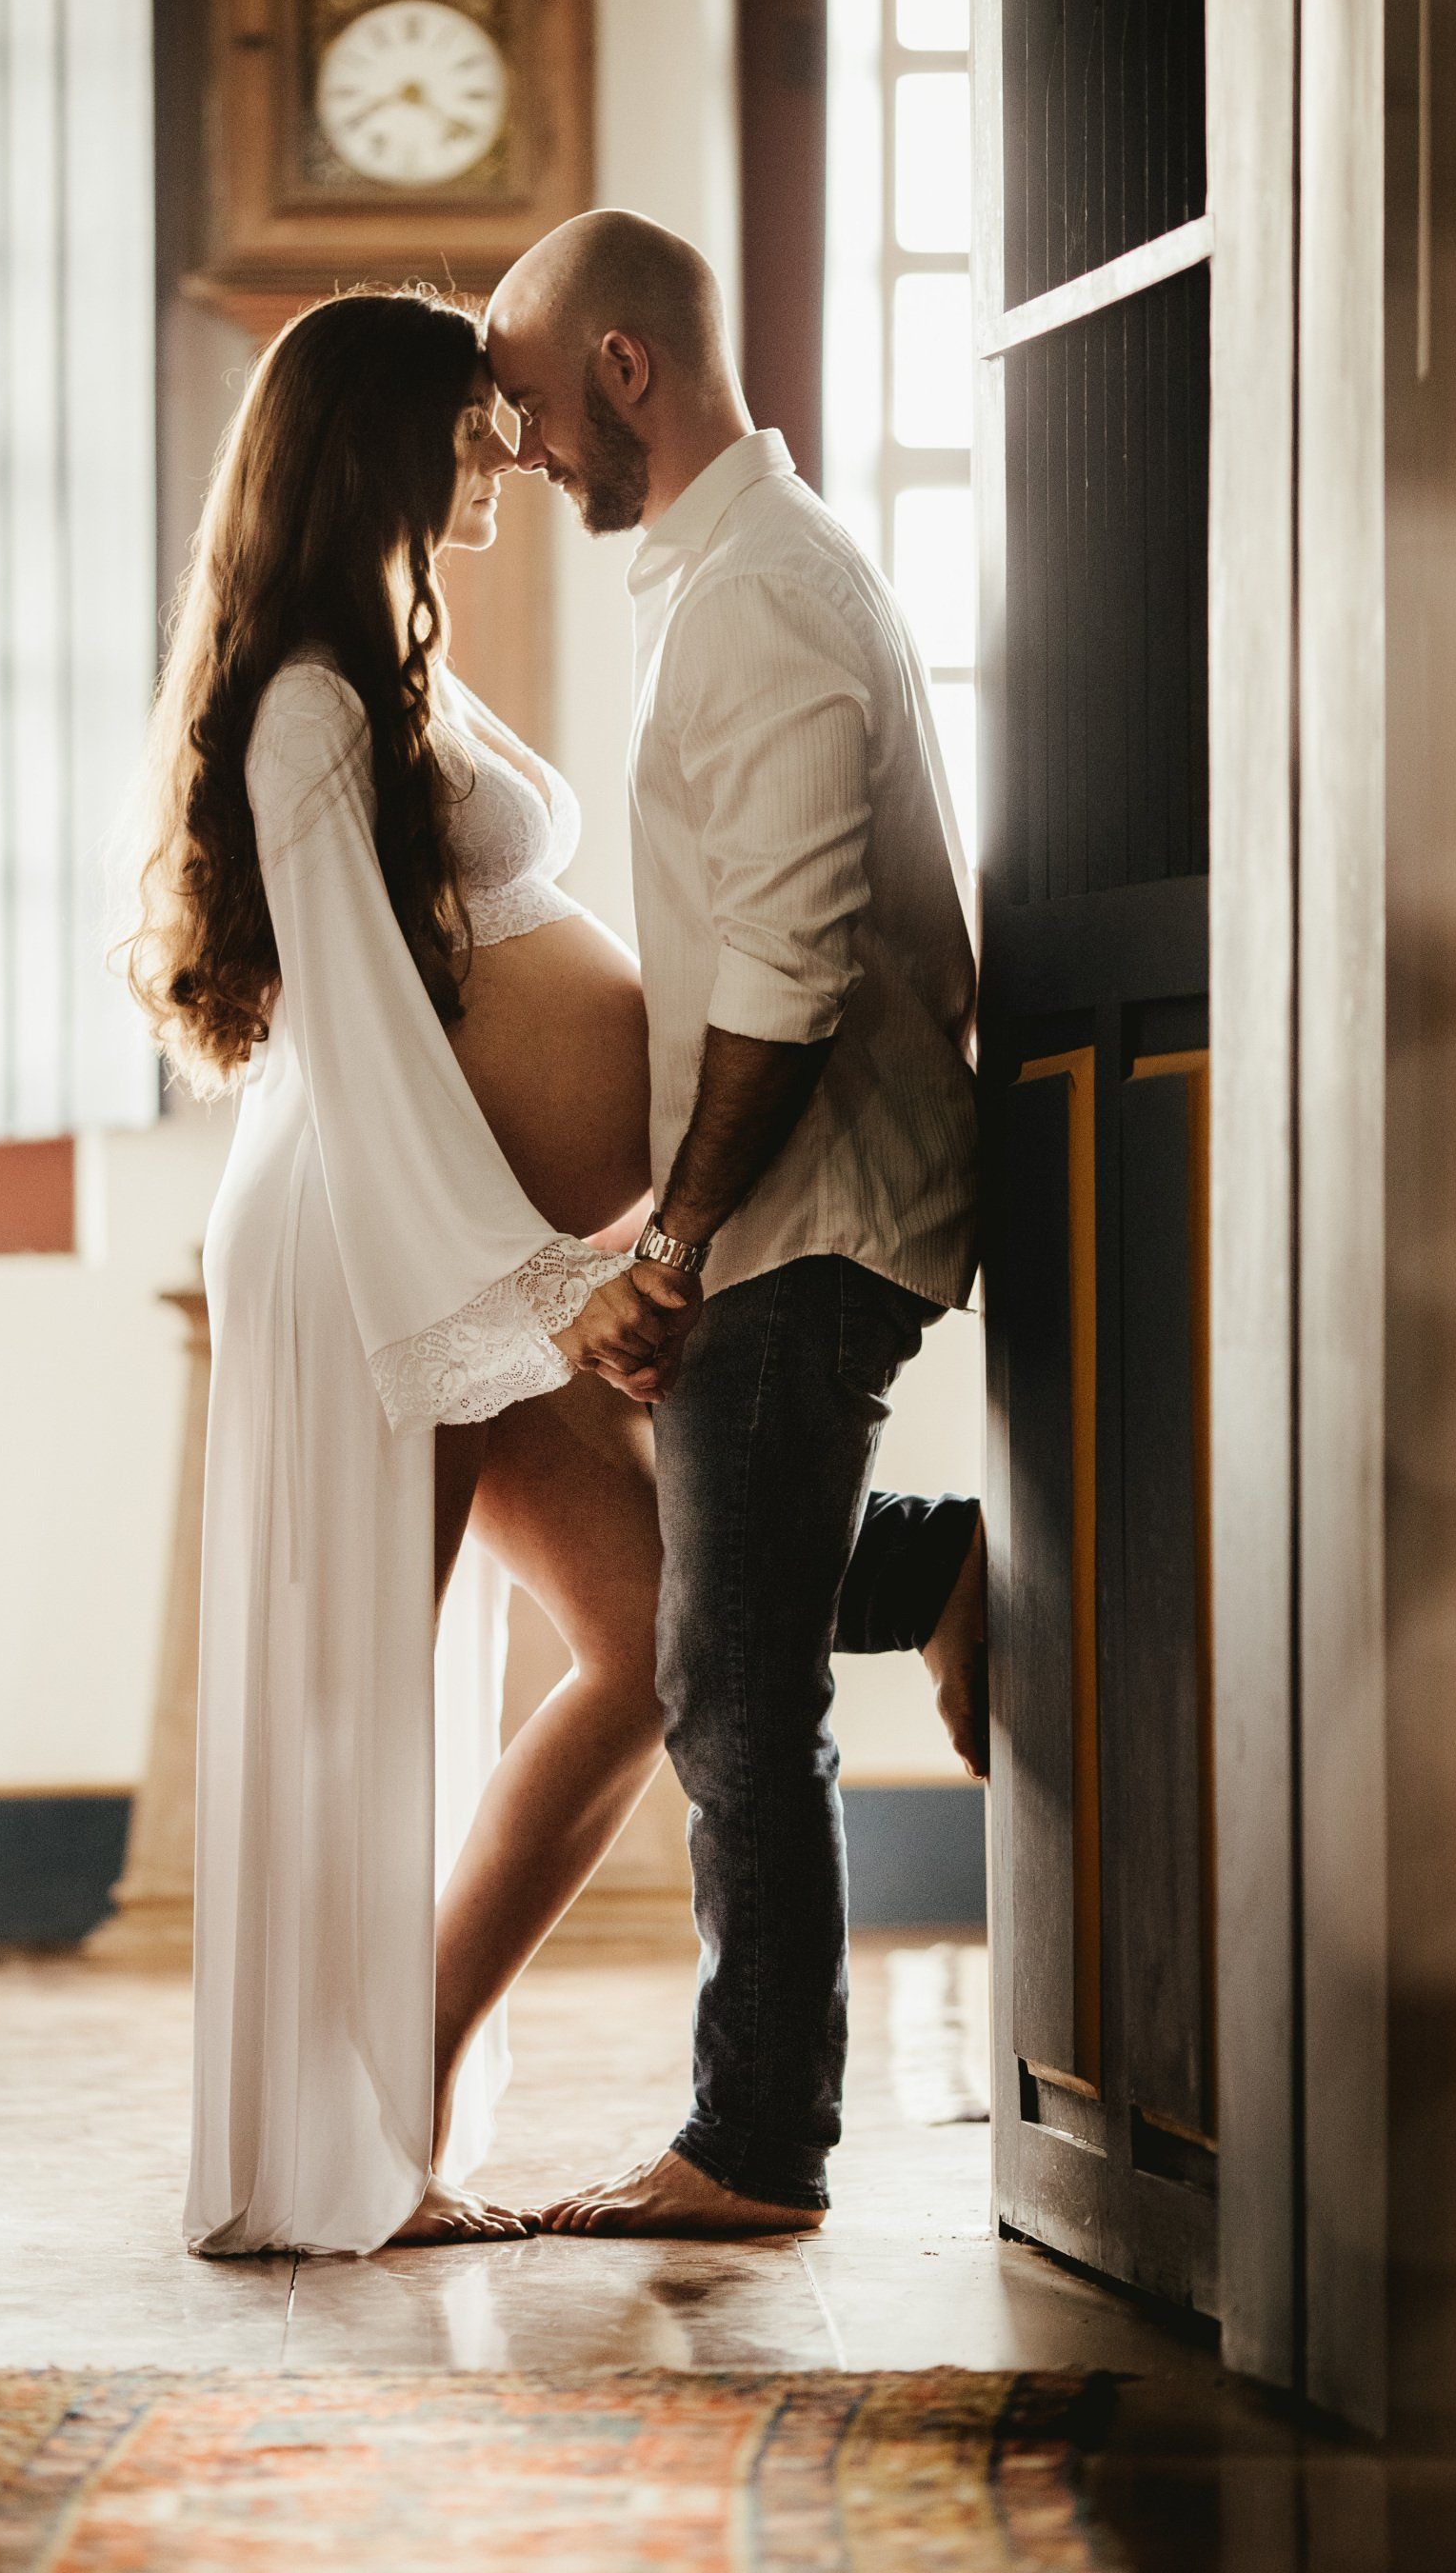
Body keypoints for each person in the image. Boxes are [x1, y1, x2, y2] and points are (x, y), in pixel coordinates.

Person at [125, 289, 692, 2256]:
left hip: (463, 1232)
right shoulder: (303, 699)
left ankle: (403, 2098)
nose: (504, 462)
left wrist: (578, 1245)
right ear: (379, 437)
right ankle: (334, 2156)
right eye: (472, 429)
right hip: (380, 1240)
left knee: (651, 1642)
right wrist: (546, 1290)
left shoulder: (384, 658)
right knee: (362, 1700)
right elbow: (365, 1042)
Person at [485, 210, 985, 2240]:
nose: (517, 450)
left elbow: (789, 966)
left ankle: (756, 2147)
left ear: (625, 368)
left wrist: (672, 1244)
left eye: (525, 399)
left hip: (806, 1212)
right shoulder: (716, 577)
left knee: (726, 1686)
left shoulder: (761, 591)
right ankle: (946, 1570)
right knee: (725, 1597)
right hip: (770, 1207)